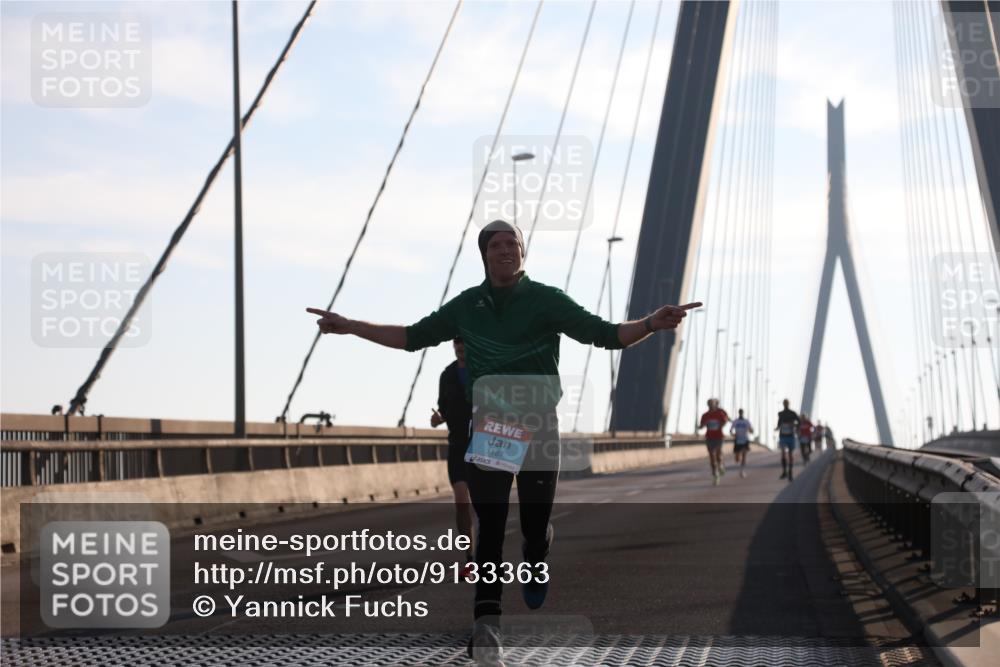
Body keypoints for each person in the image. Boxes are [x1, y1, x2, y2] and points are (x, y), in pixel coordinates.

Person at [307, 219, 700, 666]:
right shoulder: (466, 306)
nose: (505, 249)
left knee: (533, 525)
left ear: (523, 253)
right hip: (491, 427)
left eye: (512, 243)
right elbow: (411, 338)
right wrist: (351, 326)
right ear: (485, 255)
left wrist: (651, 322)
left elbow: (605, 335)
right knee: (490, 526)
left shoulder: (546, 300)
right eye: (496, 244)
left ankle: (538, 551)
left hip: (539, 423)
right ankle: (487, 624)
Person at [430, 336, 475, 578]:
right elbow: (443, 409)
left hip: (482, 443)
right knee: (461, 501)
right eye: (457, 342)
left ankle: (488, 556)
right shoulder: (447, 375)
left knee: (482, 503)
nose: (460, 346)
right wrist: (438, 418)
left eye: (464, 342)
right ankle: (469, 559)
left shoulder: (484, 369)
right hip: (457, 444)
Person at [698, 398, 729, 485]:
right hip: (709, 438)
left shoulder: (720, 413)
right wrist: (700, 426)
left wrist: (721, 425)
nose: (711, 405)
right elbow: (702, 426)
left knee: (718, 455)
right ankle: (715, 474)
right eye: (709, 403)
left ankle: (721, 466)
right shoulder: (705, 415)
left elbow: (725, 420)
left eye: (712, 403)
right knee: (712, 456)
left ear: (716, 404)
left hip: (719, 437)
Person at [775, 399, 800, 481]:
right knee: (783, 454)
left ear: (789, 404)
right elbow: (779, 423)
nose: (785, 404)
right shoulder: (780, 414)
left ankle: (790, 472)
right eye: (784, 403)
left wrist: (794, 425)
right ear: (783, 404)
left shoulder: (793, 413)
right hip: (782, 436)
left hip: (790, 436)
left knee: (790, 454)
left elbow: (799, 422)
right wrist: (777, 427)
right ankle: (784, 472)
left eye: (786, 403)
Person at [730, 408, 754, 478]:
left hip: (745, 440)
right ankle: (738, 460)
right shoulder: (735, 421)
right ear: (738, 413)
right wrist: (733, 434)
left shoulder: (746, 421)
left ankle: (742, 470)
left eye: (742, 412)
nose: (741, 414)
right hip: (737, 440)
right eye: (740, 412)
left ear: (743, 413)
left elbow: (751, 430)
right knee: (737, 458)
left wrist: (751, 430)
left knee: (744, 455)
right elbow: (731, 430)